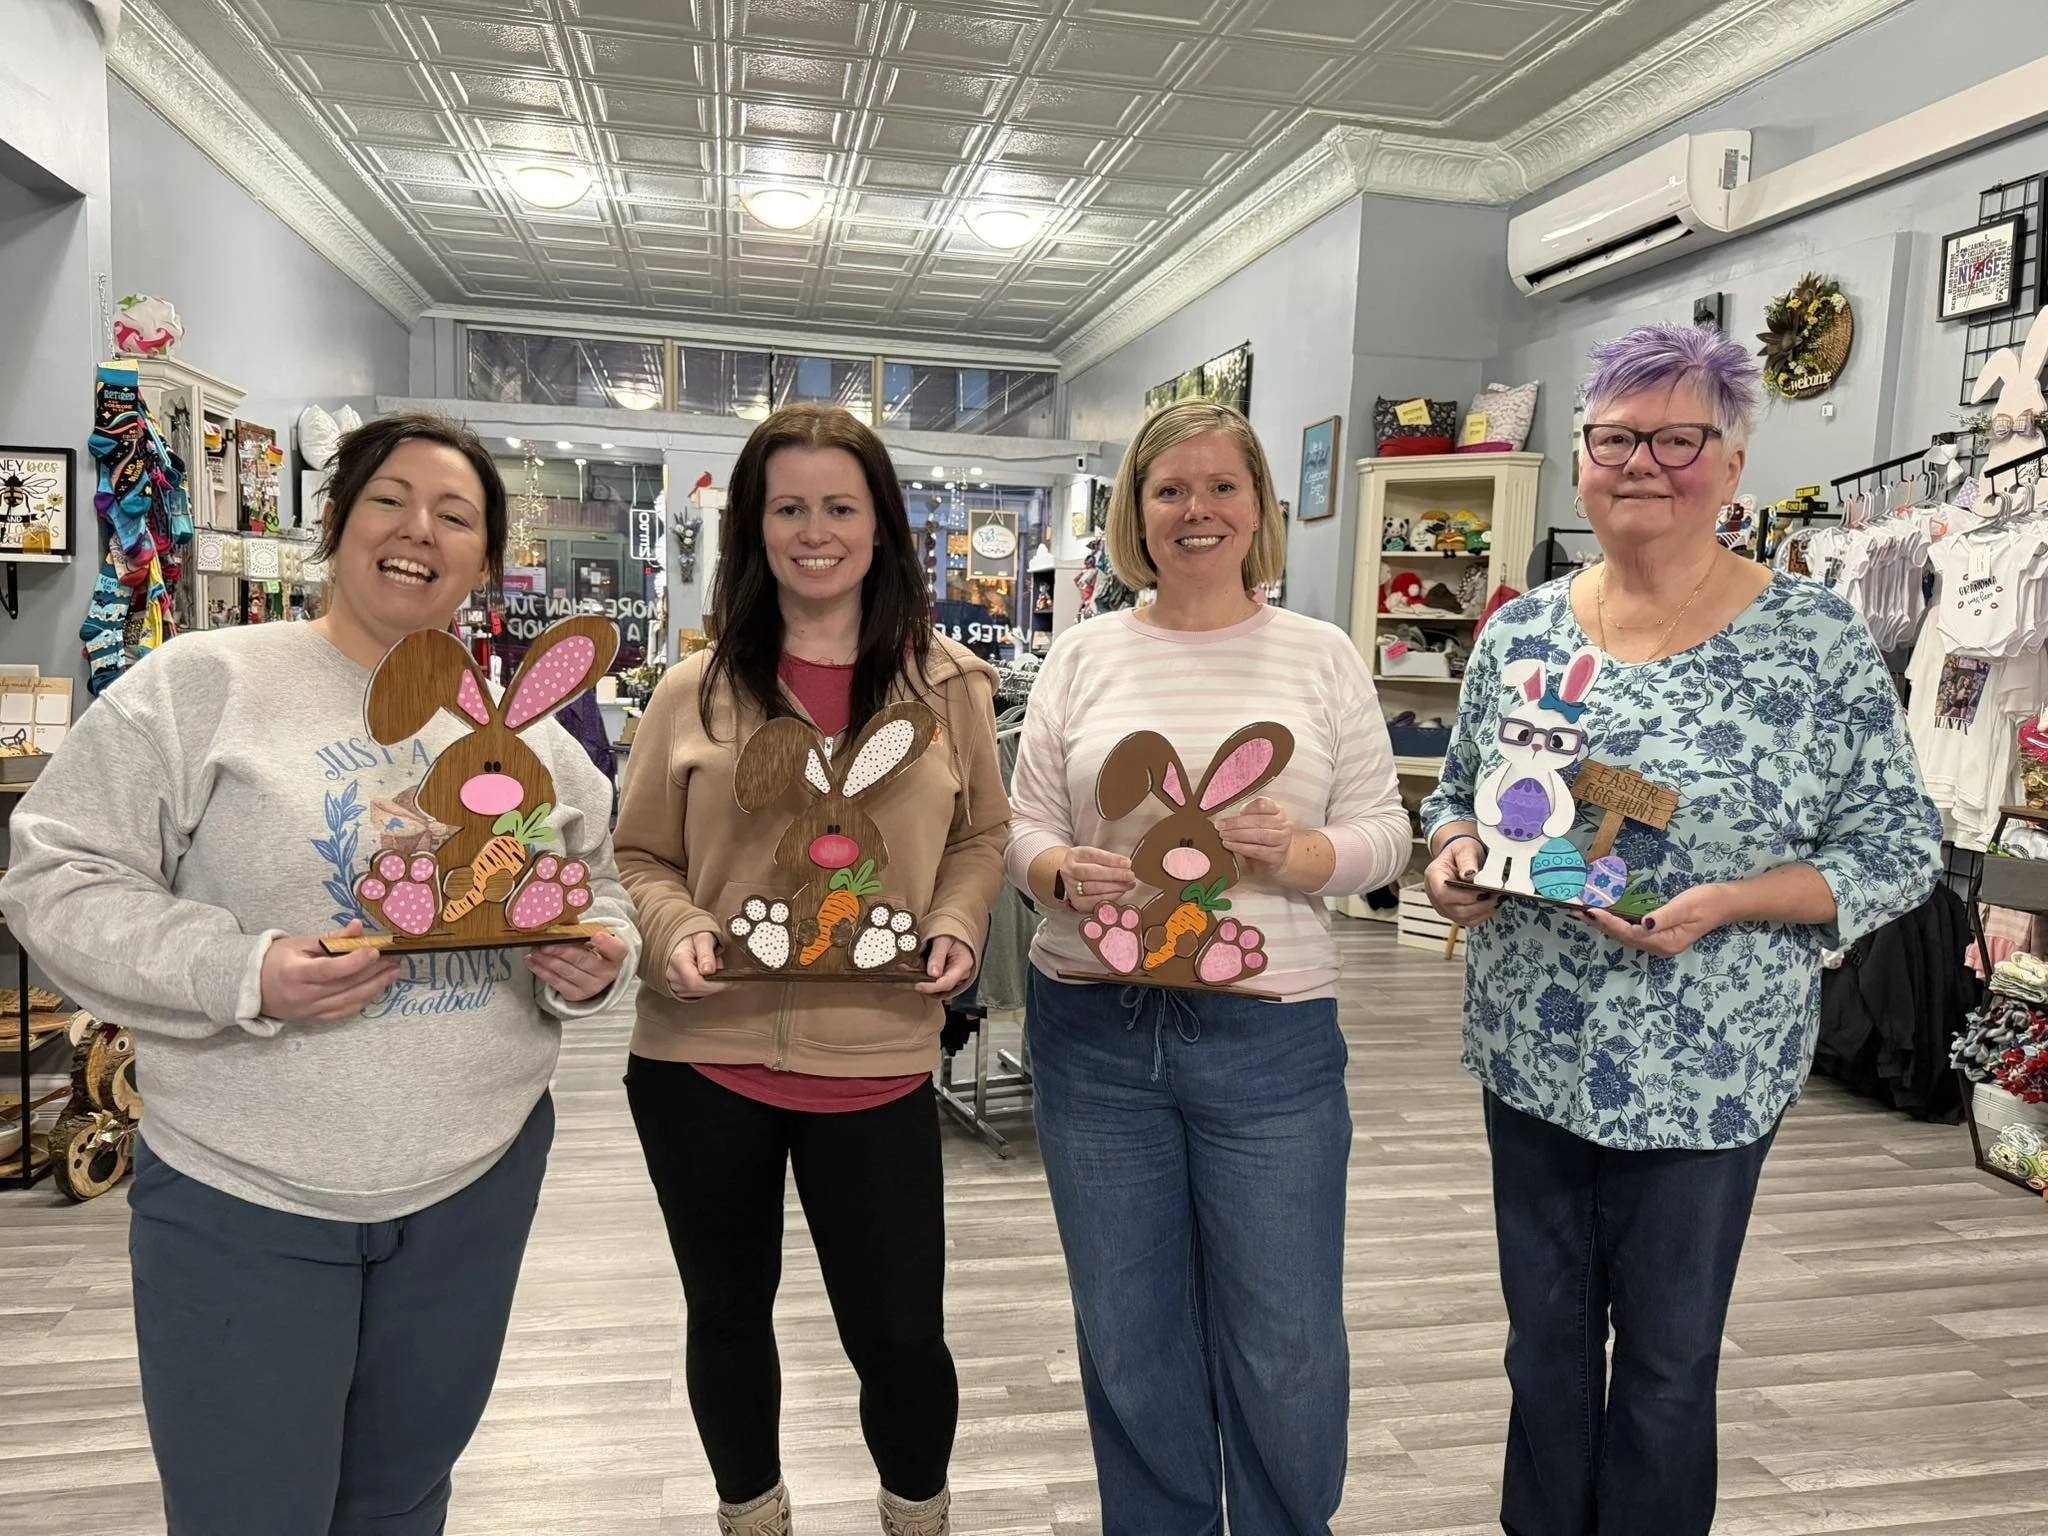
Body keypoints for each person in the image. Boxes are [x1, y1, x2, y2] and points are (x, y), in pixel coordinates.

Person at [0, 411, 635, 1534]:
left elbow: (601, 890)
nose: (418, 532)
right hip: (247, 1188)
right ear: (334, 521)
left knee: (400, 1501)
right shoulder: (203, 684)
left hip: (471, 1185)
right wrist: (242, 971)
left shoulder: (529, 737)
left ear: (485, 560)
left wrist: (590, 961)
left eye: (456, 516)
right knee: (247, 1509)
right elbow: (55, 877)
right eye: (390, 499)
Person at [1421, 324, 1942, 1536]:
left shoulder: (1809, 640)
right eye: (1615, 438)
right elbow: (1457, 795)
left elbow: (1896, 848)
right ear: (1581, 459)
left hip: (1706, 1064)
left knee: (1663, 1366)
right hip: (1531, 1047)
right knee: (1541, 1349)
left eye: (1677, 438)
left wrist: (1730, 902)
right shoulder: (1522, 633)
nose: (1641, 463)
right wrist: (1453, 859)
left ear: (1732, 460)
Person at [1006, 400, 1411, 1534]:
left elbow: (1386, 837)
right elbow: (1018, 823)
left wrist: (1300, 853)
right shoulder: (1082, 654)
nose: (1196, 511)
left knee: (1283, 1336)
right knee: (1128, 1332)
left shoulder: (1318, 654)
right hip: (1094, 1028)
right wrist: (1053, 873)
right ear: (1136, 511)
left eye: (1221, 488)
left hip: (1267, 1040)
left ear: (1259, 508)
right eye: (1169, 490)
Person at [613, 404, 1010, 1536]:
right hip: (702, 1057)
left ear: (881, 526)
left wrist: (958, 920)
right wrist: (672, 923)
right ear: (754, 528)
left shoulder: (949, 687)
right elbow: (639, 850)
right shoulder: (692, 692)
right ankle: (754, 1517)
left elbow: (984, 832)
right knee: (727, 1312)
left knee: (896, 1334)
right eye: (788, 508)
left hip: (877, 1058)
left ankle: (916, 1515)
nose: (814, 530)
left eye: (840, 506)